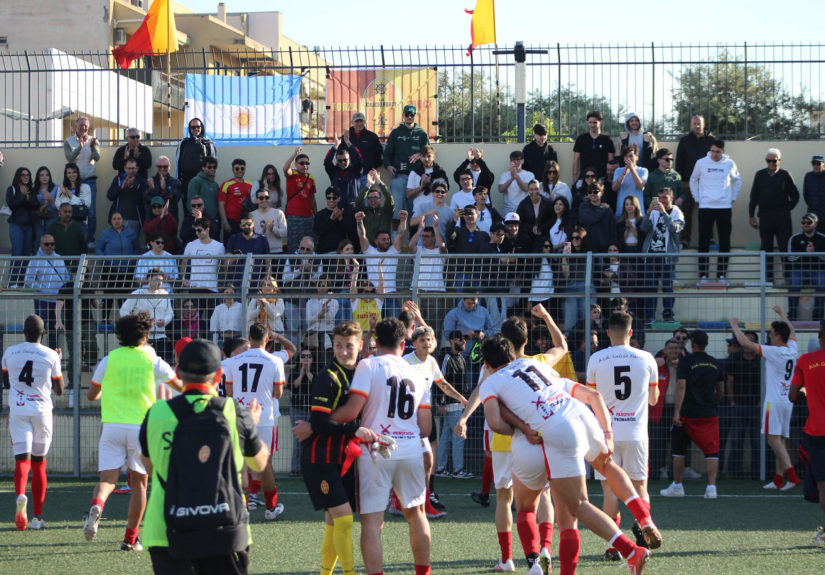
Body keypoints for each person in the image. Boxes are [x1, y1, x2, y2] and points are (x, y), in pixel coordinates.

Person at [480, 335, 658, 574]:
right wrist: (607, 431)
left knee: (572, 506)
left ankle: (630, 551)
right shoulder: (536, 364)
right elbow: (573, 384)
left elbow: (494, 422)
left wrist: (521, 429)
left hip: (554, 431)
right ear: (513, 355)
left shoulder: (491, 381)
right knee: (606, 469)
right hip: (578, 412)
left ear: (487, 365)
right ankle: (644, 518)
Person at [139, 339, 267, 574]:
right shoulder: (233, 410)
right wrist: (252, 425)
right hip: (224, 526)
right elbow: (259, 462)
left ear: (177, 373)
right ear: (219, 375)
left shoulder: (157, 411)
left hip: (167, 528)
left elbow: (148, 466)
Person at [321, 317, 433, 575]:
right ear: (404, 344)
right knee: (416, 515)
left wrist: (319, 420)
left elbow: (351, 411)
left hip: (376, 449)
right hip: (410, 450)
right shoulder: (418, 373)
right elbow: (425, 429)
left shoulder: (368, 365)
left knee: (372, 522)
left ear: (376, 341)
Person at [83, 312, 182, 550]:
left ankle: (97, 504)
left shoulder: (109, 359)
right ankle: (130, 539)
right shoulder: (152, 359)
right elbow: (180, 385)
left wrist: (108, 391)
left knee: (107, 480)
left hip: (112, 426)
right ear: (145, 334)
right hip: (141, 428)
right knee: (139, 484)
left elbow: (92, 394)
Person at [290, 321, 378, 575]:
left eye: (349, 346)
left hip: (342, 457)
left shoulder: (360, 371)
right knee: (345, 520)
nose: (343, 351)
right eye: (338, 345)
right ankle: (349, 573)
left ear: (359, 346)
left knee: (334, 523)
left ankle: (325, 573)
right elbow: (318, 422)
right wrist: (354, 429)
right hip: (320, 459)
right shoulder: (327, 378)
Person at [587, 312, 660, 560]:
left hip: (605, 435)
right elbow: (653, 399)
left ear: (607, 333)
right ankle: (644, 530)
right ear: (631, 333)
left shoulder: (596, 358)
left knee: (609, 492)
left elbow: (591, 399)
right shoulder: (647, 358)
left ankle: (614, 548)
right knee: (640, 487)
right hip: (636, 433)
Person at [731, 306, 801, 490]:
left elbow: (746, 344)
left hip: (774, 401)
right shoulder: (793, 348)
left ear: (778, 336)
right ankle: (779, 479)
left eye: (771, 333)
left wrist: (734, 326)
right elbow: (791, 330)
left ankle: (792, 476)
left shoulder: (774, 351)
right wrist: (782, 315)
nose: (769, 335)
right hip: (787, 400)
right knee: (780, 439)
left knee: (772, 440)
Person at [4, 315, 63, 531]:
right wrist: (58, 360)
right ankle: (37, 518)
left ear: (23, 331)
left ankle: (21, 494)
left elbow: (6, 381)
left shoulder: (10, 352)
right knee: (39, 464)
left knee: (22, 461)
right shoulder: (50, 354)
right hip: (42, 412)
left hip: (19, 411)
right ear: (43, 332)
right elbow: (59, 390)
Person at [224, 322, 287, 521]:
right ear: (267, 339)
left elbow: (229, 392)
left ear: (249, 338)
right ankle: (270, 508)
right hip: (264, 417)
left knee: (239, 461)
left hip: (240, 415)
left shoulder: (234, 360)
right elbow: (277, 394)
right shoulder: (275, 360)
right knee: (265, 464)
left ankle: (241, 506)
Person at [404, 326, 468, 515]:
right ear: (414, 343)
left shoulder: (431, 361)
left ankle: (428, 493)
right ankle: (399, 496)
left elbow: (442, 384)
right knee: (410, 455)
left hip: (425, 412)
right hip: (407, 414)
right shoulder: (405, 362)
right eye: (422, 340)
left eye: (429, 340)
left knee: (430, 452)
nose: (427, 343)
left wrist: (460, 398)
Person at [660, 329, 724, 499]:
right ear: (707, 344)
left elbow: (681, 386)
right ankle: (711, 488)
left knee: (679, 450)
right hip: (709, 413)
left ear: (692, 344)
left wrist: (677, 412)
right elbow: (720, 390)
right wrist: (714, 403)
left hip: (687, 413)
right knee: (712, 451)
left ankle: (678, 486)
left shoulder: (685, 362)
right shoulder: (716, 363)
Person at [789, 321, 825, 548]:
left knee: (823, 486)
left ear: (820, 335)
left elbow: (794, 395)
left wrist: (808, 389)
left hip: (818, 431)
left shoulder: (807, 361)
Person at [689, 139, 742, 282]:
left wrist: (732, 198)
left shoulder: (729, 163)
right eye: (712, 151)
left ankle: (721, 275)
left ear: (723, 151)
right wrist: (697, 198)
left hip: (724, 207)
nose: (714, 154)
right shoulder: (701, 163)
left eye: (717, 152)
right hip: (705, 206)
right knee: (703, 241)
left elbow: (737, 180)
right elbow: (693, 180)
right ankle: (703, 275)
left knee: (725, 242)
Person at [748, 148, 799, 283]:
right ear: (766, 161)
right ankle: (768, 279)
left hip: (782, 217)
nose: (772, 163)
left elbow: (795, 196)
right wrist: (751, 216)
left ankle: (788, 278)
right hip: (765, 216)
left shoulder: (785, 175)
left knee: (785, 247)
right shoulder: (759, 175)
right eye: (769, 160)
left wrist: (786, 209)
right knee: (766, 247)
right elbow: (753, 197)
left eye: (775, 160)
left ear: (779, 160)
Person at [641, 187, 684, 323]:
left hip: (667, 256)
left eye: (665, 197)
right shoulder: (652, 212)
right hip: (652, 255)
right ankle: (650, 316)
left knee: (667, 286)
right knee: (649, 287)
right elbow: (643, 228)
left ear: (671, 198)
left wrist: (664, 213)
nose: (661, 201)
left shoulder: (677, 212)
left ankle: (668, 315)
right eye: (659, 198)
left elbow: (675, 229)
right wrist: (648, 212)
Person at [722, 330, 761, 478]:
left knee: (757, 442)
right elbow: (729, 382)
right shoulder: (735, 359)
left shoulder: (761, 359)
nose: (748, 344)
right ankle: (734, 473)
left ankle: (757, 473)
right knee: (737, 440)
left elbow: (765, 383)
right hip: (738, 406)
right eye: (746, 340)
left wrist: (759, 403)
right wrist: (732, 402)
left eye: (751, 341)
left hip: (756, 406)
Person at [356, 209, 407, 319]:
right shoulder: (370, 251)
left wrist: (403, 220)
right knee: (373, 328)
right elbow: (362, 237)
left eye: (388, 239)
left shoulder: (393, 251)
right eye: (383, 239)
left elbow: (400, 235)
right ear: (376, 241)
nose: (386, 241)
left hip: (391, 296)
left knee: (394, 327)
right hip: (373, 295)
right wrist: (359, 221)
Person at [383, 104, 430, 220]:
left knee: (415, 210)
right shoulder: (395, 133)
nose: (409, 117)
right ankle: (395, 236)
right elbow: (386, 154)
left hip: (416, 177)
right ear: (403, 116)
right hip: (399, 176)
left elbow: (430, 152)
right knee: (396, 210)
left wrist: (420, 154)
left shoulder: (422, 133)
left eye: (412, 115)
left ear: (415, 116)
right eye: (407, 115)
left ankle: (412, 237)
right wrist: (388, 166)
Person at [675, 115, 715, 249]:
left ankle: (709, 238)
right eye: (695, 123)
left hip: (707, 183)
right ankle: (685, 239)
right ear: (690, 125)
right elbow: (679, 162)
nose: (697, 126)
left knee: (708, 212)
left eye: (699, 123)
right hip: (688, 182)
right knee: (686, 212)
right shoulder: (684, 141)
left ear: (704, 124)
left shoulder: (711, 140)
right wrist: (681, 181)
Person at [25, 235, 70, 350]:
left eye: (52, 244)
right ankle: (37, 353)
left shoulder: (59, 258)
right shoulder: (35, 260)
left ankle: (53, 356)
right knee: (39, 330)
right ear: (41, 245)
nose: (49, 246)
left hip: (58, 302)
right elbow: (28, 280)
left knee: (55, 330)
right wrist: (43, 288)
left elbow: (66, 277)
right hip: (42, 301)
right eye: (46, 244)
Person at [120, 268, 175, 363]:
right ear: (149, 279)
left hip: (160, 336)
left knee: (168, 363)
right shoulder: (137, 294)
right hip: (142, 338)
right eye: (157, 280)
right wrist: (135, 324)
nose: (159, 283)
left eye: (161, 280)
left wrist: (164, 321)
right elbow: (123, 310)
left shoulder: (165, 294)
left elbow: (170, 313)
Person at [63, 116, 100, 246]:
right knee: (73, 209)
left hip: (90, 180)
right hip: (74, 182)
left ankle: (90, 239)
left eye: (85, 125)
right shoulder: (68, 141)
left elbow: (97, 157)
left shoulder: (94, 140)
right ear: (75, 125)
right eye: (81, 125)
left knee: (91, 212)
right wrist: (79, 147)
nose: (83, 127)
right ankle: (74, 237)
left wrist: (93, 147)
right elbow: (69, 158)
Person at [650, 339, 681, 481]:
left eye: (676, 348)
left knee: (677, 441)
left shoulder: (685, 364)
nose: (673, 351)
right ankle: (657, 470)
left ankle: (675, 472)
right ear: (665, 350)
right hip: (660, 410)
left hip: (678, 409)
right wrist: (654, 362)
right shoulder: (657, 364)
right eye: (671, 348)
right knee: (658, 441)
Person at [182, 218, 226, 312]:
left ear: (207, 229)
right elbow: (184, 262)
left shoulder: (219, 246)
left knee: (213, 317)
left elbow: (224, 265)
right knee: (195, 317)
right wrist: (183, 278)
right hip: (195, 286)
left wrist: (222, 282)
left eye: (199, 230)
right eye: (196, 230)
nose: (197, 233)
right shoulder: (191, 245)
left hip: (212, 286)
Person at [787, 213, 825, 321]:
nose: (806, 224)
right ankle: (792, 314)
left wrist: (815, 252)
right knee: (794, 283)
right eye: (803, 222)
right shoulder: (795, 238)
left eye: (809, 222)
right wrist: (804, 252)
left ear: (815, 224)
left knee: (822, 283)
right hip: (801, 269)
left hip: (818, 269)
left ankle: (818, 314)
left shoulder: (822, 238)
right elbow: (790, 258)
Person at [6, 167, 40, 287]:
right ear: (18, 176)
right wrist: (21, 195)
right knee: (17, 253)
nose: (26, 177)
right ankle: (13, 281)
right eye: (23, 175)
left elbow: (36, 205)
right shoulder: (12, 189)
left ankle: (22, 281)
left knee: (26, 253)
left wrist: (27, 196)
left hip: (28, 225)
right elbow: (11, 205)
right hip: (16, 225)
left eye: (28, 175)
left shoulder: (31, 191)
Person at [282, 237, 323, 335]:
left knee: (308, 331)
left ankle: (306, 350)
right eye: (302, 248)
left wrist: (311, 272)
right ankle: (292, 350)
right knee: (292, 331)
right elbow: (284, 278)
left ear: (313, 250)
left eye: (307, 249)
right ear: (299, 247)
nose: (304, 251)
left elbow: (320, 279)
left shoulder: (318, 259)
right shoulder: (291, 258)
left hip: (310, 300)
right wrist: (299, 270)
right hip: (292, 298)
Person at [283, 146, 318, 254]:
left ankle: (310, 268)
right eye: (302, 163)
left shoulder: (311, 177)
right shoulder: (292, 174)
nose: (305, 165)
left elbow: (312, 198)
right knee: (294, 245)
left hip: (309, 217)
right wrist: (294, 154)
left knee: (311, 245)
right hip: (294, 217)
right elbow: (285, 169)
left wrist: (316, 216)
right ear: (296, 164)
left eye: (307, 163)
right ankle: (294, 269)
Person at [175, 117, 217, 200]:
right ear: (189, 129)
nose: (196, 129)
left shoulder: (208, 143)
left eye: (198, 127)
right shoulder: (183, 142)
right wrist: (178, 180)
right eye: (193, 127)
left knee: (205, 206)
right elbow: (178, 162)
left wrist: (211, 179)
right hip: (187, 180)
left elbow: (213, 162)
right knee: (188, 206)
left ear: (202, 128)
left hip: (204, 179)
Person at [226, 211, 271, 288]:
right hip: (237, 282)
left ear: (253, 224)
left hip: (257, 281)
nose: (246, 226)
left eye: (249, 224)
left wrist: (268, 277)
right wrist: (235, 258)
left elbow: (268, 261)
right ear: (240, 226)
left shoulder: (262, 239)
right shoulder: (234, 238)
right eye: (243, 224)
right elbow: (226, 264)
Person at [107, 157, 148, 237]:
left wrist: (132, 187)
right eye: (128, 168)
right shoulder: (118, 179)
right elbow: (109, 196)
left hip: (135, 220)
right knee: (117, 244)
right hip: (118, 218)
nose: (130, 171)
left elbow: (143, 200)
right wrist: (121, 187)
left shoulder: (142, 181)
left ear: (137, 168)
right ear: (124, 168)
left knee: (132, 244)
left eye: (133, 168)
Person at [407, 145, 449, 223]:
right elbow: (409, 195)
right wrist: (421, 186)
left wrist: (429, 184)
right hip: (418, 211)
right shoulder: (414, 173)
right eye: (424, 156)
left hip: (436, 212)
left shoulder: (440, 173)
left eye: (429, 156)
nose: (426, 159)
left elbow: (443, 193)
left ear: (434, 157)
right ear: (420, 157)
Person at [355, 169, 394, 246]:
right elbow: (358, 202)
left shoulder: (386, 211)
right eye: (370, 198)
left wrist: (378, 181)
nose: (373, 200)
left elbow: (389, 198)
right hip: (369, 249)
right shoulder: (365, 212)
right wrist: (368, 185)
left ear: (380, 199)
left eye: (376, 197)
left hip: (385, 248)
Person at [324, 134, 364, 208]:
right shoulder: (333, 171)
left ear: (349, 160)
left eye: (345, 160)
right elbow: (327, 162)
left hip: (353, 206)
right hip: (337, 207)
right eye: (340, 160)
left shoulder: (355, 170)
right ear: (337, 160)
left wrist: (348, 143)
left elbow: (359, 160)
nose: (343, 162)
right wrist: (335, 147)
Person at [573, 110, 615, 180]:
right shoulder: (581, 139)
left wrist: (610, 179)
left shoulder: (607, 140)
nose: (592, 125)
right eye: (590, 122)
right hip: (584, 178)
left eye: (595, 122)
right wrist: (575, 178)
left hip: (602, 178)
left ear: (601, 122)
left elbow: (611, 162)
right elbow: (576, 160)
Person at [54, 162, 92, 238]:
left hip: (80, 222)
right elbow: (58, 205)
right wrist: (64, 195)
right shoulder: (61, 188)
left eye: (74, 172)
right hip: (64, 222)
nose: (72, 175)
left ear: (78, 173)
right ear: (66, 174)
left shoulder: (85, 187)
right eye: (69, 173)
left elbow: (86, 204)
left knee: (80, 248)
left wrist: (71, 195)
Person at [314, 186, 357, 254]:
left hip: (340, 252)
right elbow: (317, 231)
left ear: (338, 198)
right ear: (326, 198)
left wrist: (340, 218)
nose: (331, 200)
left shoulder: (345, 213)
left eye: (334, 198)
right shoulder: (320, 214)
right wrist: (331, 219)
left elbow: (351, 232)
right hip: (324, 252)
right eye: (329, 197)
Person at [578, 182, 617, 253]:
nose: (592, 194)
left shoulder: (608, 211)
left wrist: (612, 245)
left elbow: (613, 231)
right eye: (590, 192)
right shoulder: (583, 206)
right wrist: (602, 208)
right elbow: (591, 218)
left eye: (595, 192)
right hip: (587, 250)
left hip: (603, 250)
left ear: (602, 193)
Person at [612, 145, 649, 219]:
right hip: (621, 212)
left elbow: (640, 186)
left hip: (638, 213)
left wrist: (632, 170)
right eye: (626, 156)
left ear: (637, 157)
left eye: (631, 156)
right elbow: (614, 188)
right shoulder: (618, 170)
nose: (628, 158)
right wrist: (624, 173)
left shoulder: (643, 170)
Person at [348, 111, 384, 187]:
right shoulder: (346, 137)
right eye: (356, 121)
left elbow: (379, 155)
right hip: (350, 176)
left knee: (366, 198)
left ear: (365, 122)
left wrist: (372, 169)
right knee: (352, 199)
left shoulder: (372, 137)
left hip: (367, 176)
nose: (359, 123)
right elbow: (340, 155)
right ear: (352, 122)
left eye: (361, 121)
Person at [144, 155, 182, 223]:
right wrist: (151, 190)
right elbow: (145, 200)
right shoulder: (150, 181)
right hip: (152, 219)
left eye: (165, 166)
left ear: (169, 166)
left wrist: (165, 189)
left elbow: (176, 199)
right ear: (156, 166)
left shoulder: (175, 182)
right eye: (159, 166)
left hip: (169, 218)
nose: (162, 169)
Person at [48, 203, 86, 268]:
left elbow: (83, 246)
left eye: (70, 212)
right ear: (59, 212)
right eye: (65, 212)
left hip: (75, 264)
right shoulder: (52, 227)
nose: (68, 214)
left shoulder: (77, 226)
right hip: (57, 264)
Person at [251, 185, 287, 254]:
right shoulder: (251, 215)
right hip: (259, 251)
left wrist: (273, 229)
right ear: (256, 199)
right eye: (261, 198)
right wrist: (262, 231)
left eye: (266, 197)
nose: (264, 200)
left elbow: (284, 233)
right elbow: (250, 236)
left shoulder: (278, 213)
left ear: (269, 199)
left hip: (276, 251)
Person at [498, 150, 535, 216]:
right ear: (510, 161)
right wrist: (511, 178)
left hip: (523, 209)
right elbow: (501, 190)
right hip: (508, 210)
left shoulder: (529, 174)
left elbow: (525, 188)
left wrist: (516, 175)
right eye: (513, 160)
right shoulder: (504, 175)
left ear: (523, 161)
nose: (516, 162)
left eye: (518, 160)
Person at [186, 157, 220, 227]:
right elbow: (191, 203)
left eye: (214, 167)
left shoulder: (215, 184)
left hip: (213, 221)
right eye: (209, 167)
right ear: (203, 168)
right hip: (200, 221)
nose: (212, 169)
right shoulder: (195, 181)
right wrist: (197, 219)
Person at [307, 275, 339, 348]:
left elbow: (328, 320)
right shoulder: (310, 302)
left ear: (328, 287)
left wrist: (326, 303)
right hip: (313, 334)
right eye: (319, 285)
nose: (321, 288)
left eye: (324, 286)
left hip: (327, 335)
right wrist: (321, 313)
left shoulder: (334, 302)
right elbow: (308, 321)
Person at [516, 180, 553, 244]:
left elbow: (551, 219)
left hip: (544, 235)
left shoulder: (547, 203)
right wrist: (531, 228)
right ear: (528, 190)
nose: (534, 192)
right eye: (531, 189)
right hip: (527, 236)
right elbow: (519, 222)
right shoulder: (523, 204)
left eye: (536, 189)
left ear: (540, 189)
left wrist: (542, 229)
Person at [31, 166, 58, 251]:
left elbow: (58, 206)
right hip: (38, 219)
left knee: (50, 241)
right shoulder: (33, 189)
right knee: (39, 240)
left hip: (52, 217)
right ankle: (37, 262)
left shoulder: (56, 188)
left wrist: (51, 199)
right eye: (42, 175)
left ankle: (50, 262)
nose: (45, 177)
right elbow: (32, 206)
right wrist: (43, 206)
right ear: (38, 177)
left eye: (47, 175)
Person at [803, 154, 825, 222]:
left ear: (824, 165)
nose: (816, 166)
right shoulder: (808, 176)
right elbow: (806, 195)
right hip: (813, 215)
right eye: (814, 163)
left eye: (818, 164)